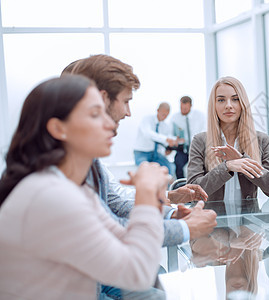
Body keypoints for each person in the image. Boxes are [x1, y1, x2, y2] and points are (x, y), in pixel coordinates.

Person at [0, 75, 168, 299]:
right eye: (95, 115)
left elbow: (124, 240)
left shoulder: (73, 188)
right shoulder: (50, 196)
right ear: (59, 128)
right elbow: (136, 274)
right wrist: (145, 192)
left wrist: (152, 197)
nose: (110, 124)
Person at [65, 55, 217, 247]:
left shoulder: (88, 161)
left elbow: (117, 202)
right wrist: (186, 228)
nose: (128, 112)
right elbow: (111, 232)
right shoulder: (65, 169)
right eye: (126, 101)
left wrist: (171, 209)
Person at [187, 76, 269, 212]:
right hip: (214, 227)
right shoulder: (200, 141)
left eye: (235, 99)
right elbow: (192, 192)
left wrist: (244, 162)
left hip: (249, 227)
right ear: (214, 105)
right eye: (221, 100)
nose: (228, 105)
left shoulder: (261, 140)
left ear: (242, 103)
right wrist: (227, 167)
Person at [133, 102, 177, 174]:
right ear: (158, 110)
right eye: (163, 114)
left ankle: (167, 185)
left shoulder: (165, 125)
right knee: (146, 172)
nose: (164, 117)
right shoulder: (147, 119)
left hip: (156, 153)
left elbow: (166, 139)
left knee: (170, 168)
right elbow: (149, 134)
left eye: (166, 115)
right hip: (141, 152)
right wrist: (166, 139)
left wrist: (169, 147)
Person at [171, 96, 206, 178]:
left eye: (185, 109)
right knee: (178, 164)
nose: (182, 111)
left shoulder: (200, 116)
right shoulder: (175, 117)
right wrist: (175, 139)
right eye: (181, 108)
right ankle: (180, 186)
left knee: (198, 167)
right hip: (183, 148)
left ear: (190, 106)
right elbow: (171, 134)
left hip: (197, 147)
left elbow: (205, 130)